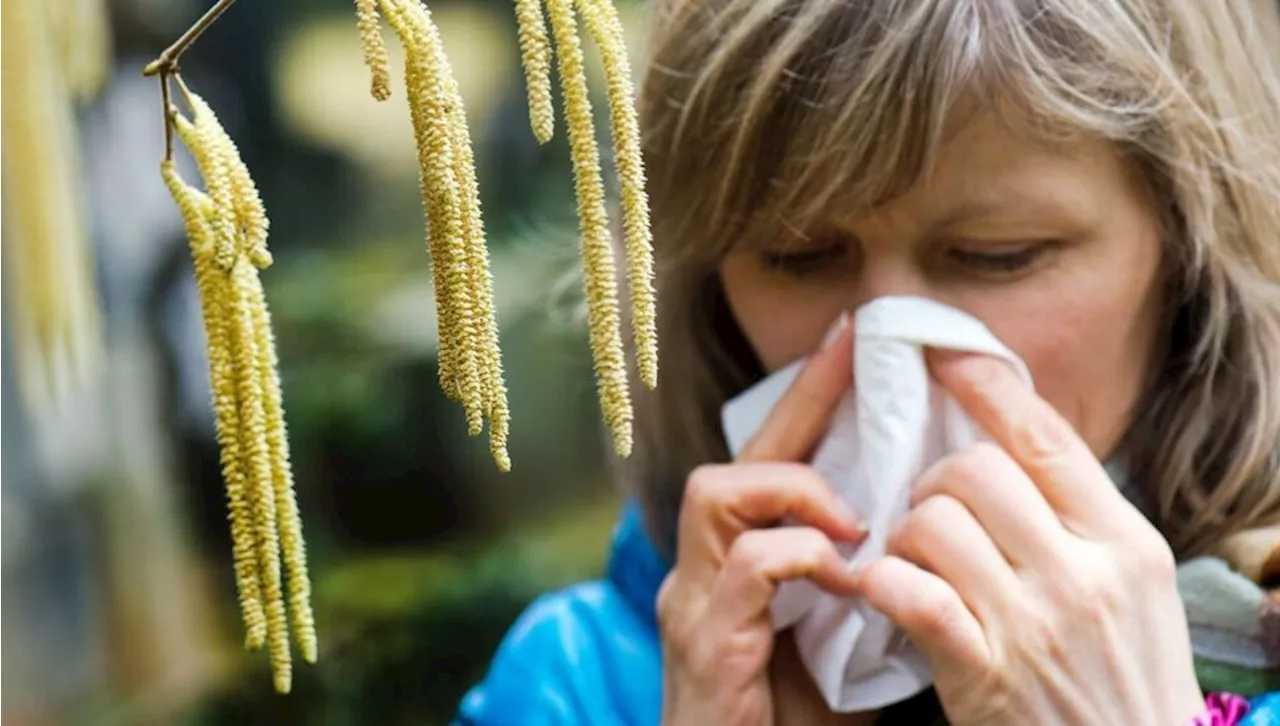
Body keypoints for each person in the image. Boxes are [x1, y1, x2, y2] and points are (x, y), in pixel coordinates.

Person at [455, 0, 1280, 723]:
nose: (890, 350)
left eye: (999, 256)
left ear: (1187, 255)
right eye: (796, 257)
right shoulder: (582, 682)